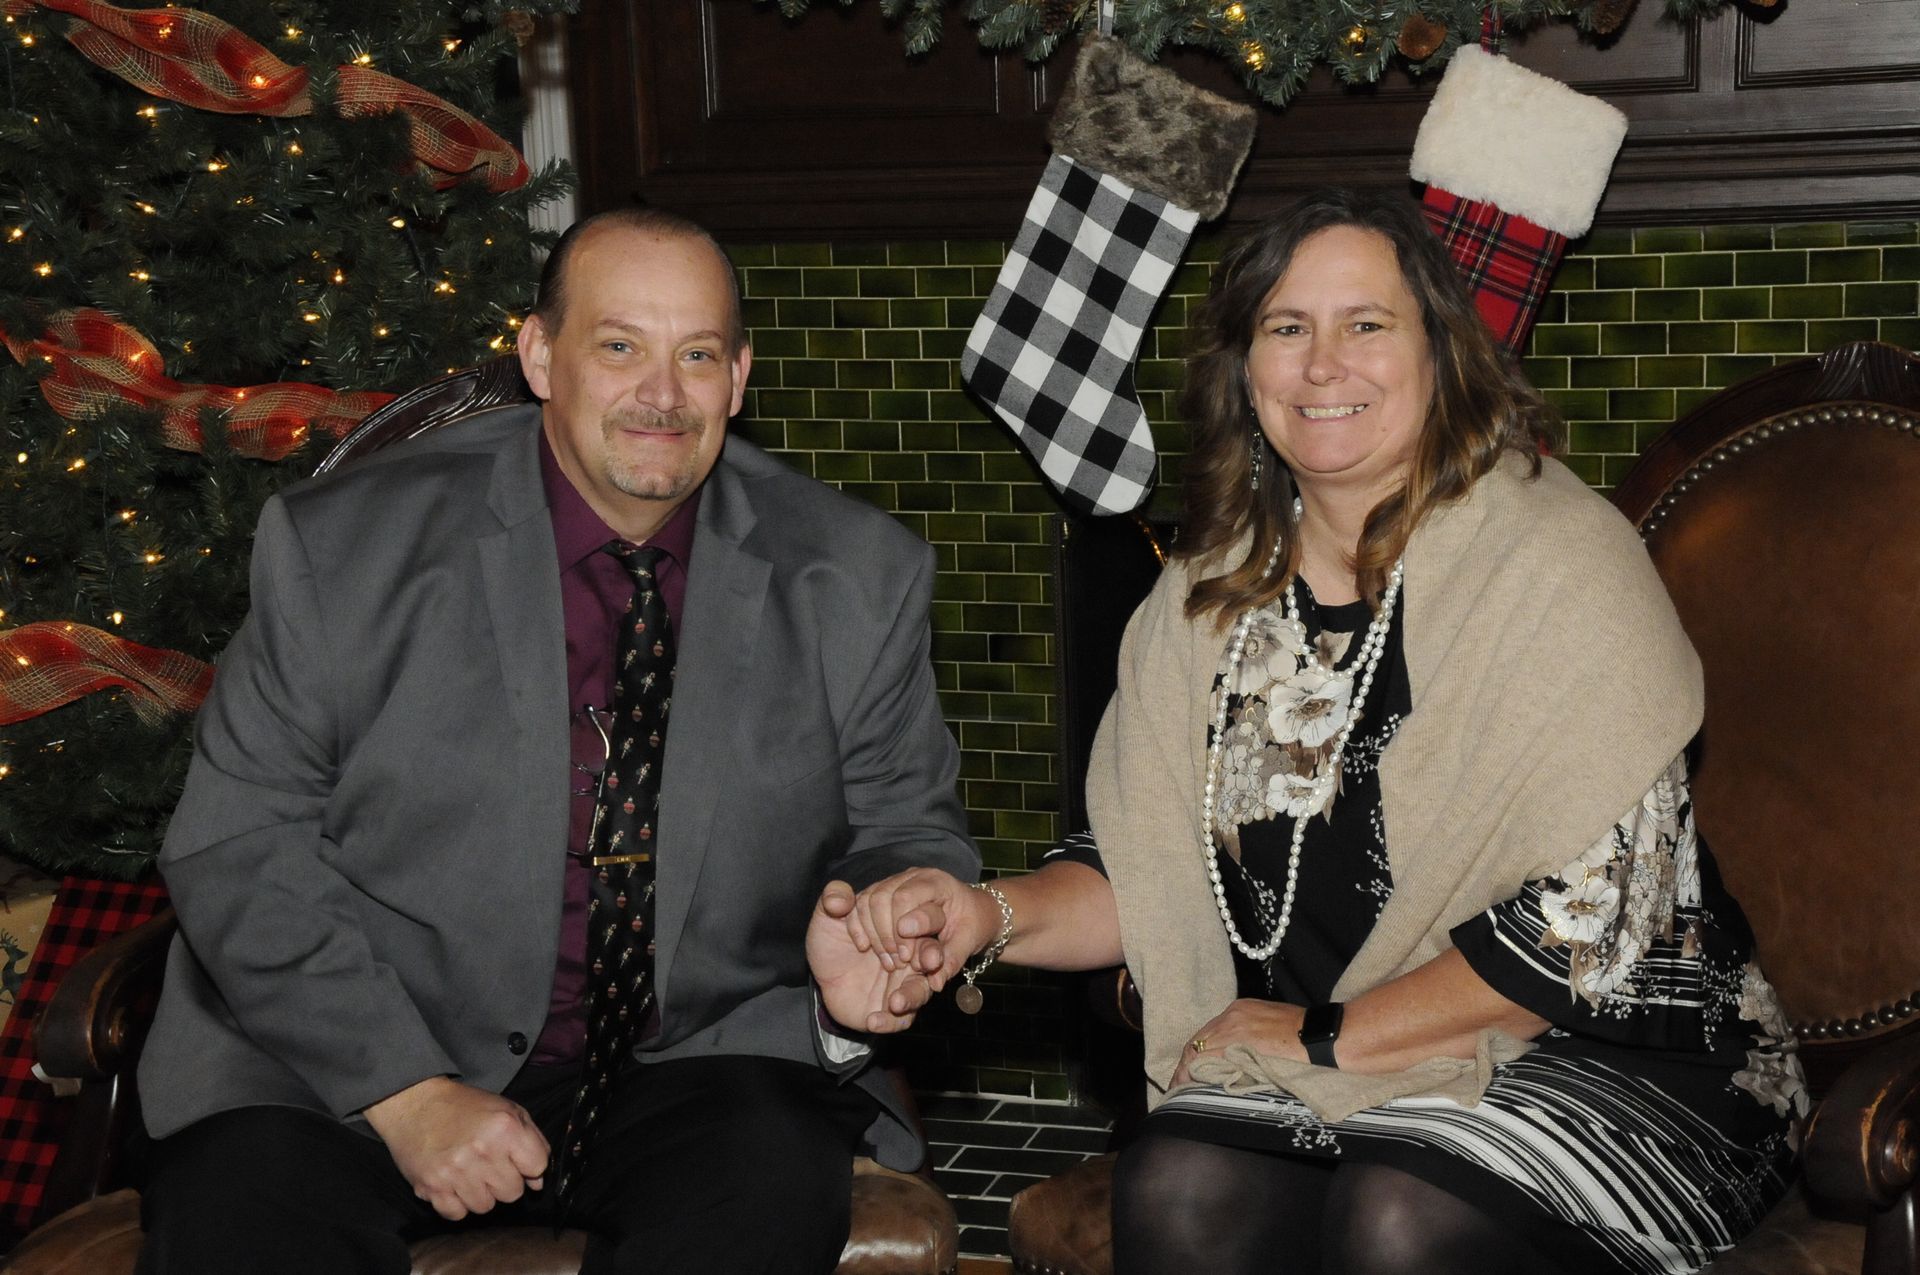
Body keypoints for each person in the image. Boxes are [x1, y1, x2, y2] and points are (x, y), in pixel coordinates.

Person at [821, 187, 1805, 1275]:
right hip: (1362, 1070)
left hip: (1630, 1058)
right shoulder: (1205, 600)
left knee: (1404, 1213)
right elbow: (1147, 871)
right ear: (1245, 370)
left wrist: (1315, 1036)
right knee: (1183, 1183)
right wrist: (979, 915)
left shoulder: (1562, 564)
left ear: (1441, 354)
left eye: (1367, 324)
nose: (1323, 364)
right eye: (1287, 328)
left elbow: (1584, 934)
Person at [133, 207, 977, 1275]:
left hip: (692, 1059)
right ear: (540, 355)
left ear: (740, 376)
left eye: (698, 355)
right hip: (346, 1057)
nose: (661, 396)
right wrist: (404, 1092)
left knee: (762, 1190)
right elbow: (238, 842)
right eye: (619, 346)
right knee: (240, 1228)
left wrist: (893, 908)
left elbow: (907, 827)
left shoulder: (858, 575)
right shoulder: (342, 547)